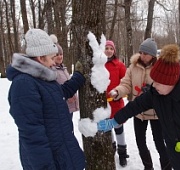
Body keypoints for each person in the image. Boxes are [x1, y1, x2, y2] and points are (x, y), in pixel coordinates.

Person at [98, 44, 180, 170]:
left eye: (159, 83)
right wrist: (115, 120)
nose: (154, 86)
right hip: (179, 159)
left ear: (171, 82)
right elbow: (136, 105)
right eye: (154, 82)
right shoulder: (156, 93)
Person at [6, 29, 86, 169]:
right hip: (49, 160)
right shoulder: (24, 84)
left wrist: (78, 76)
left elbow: (59, 94)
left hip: (62, 153)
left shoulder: (43, 78)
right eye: (51, 58)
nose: (54, 63)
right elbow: (33, 135)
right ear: (40, 58)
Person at [109, 38, 171, 170]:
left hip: (156, 113)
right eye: (141, 52)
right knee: (140, 142)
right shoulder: (133, 67)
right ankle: (148, 167)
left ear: (153, 55)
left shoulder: (159, 67)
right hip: (138, 112)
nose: (142, 56)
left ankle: (166, 167)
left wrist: (151, 90)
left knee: (160, 143)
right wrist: (117, 91)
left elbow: (165, 86)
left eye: (146, 53)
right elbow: (126, 84)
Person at [104, 40, 129, 167]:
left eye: (111, 48)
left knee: (119, 129)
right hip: (104, 106)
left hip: (116, 103)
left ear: (114, 51)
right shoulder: (99, 65)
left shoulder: (119, 65)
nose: (108, 50)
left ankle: (122, 153)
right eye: (106, 48)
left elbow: (125, 83)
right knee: (108, 129)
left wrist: (118, 94)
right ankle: (111, 149)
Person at [50, 34, 79, 119]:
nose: (60, 57)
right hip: (62, 106)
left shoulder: (63, 68)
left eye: (61, 54)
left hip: (70, 106)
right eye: (57, 55)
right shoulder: (52, 70)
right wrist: (66, 97)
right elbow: (55, 89)